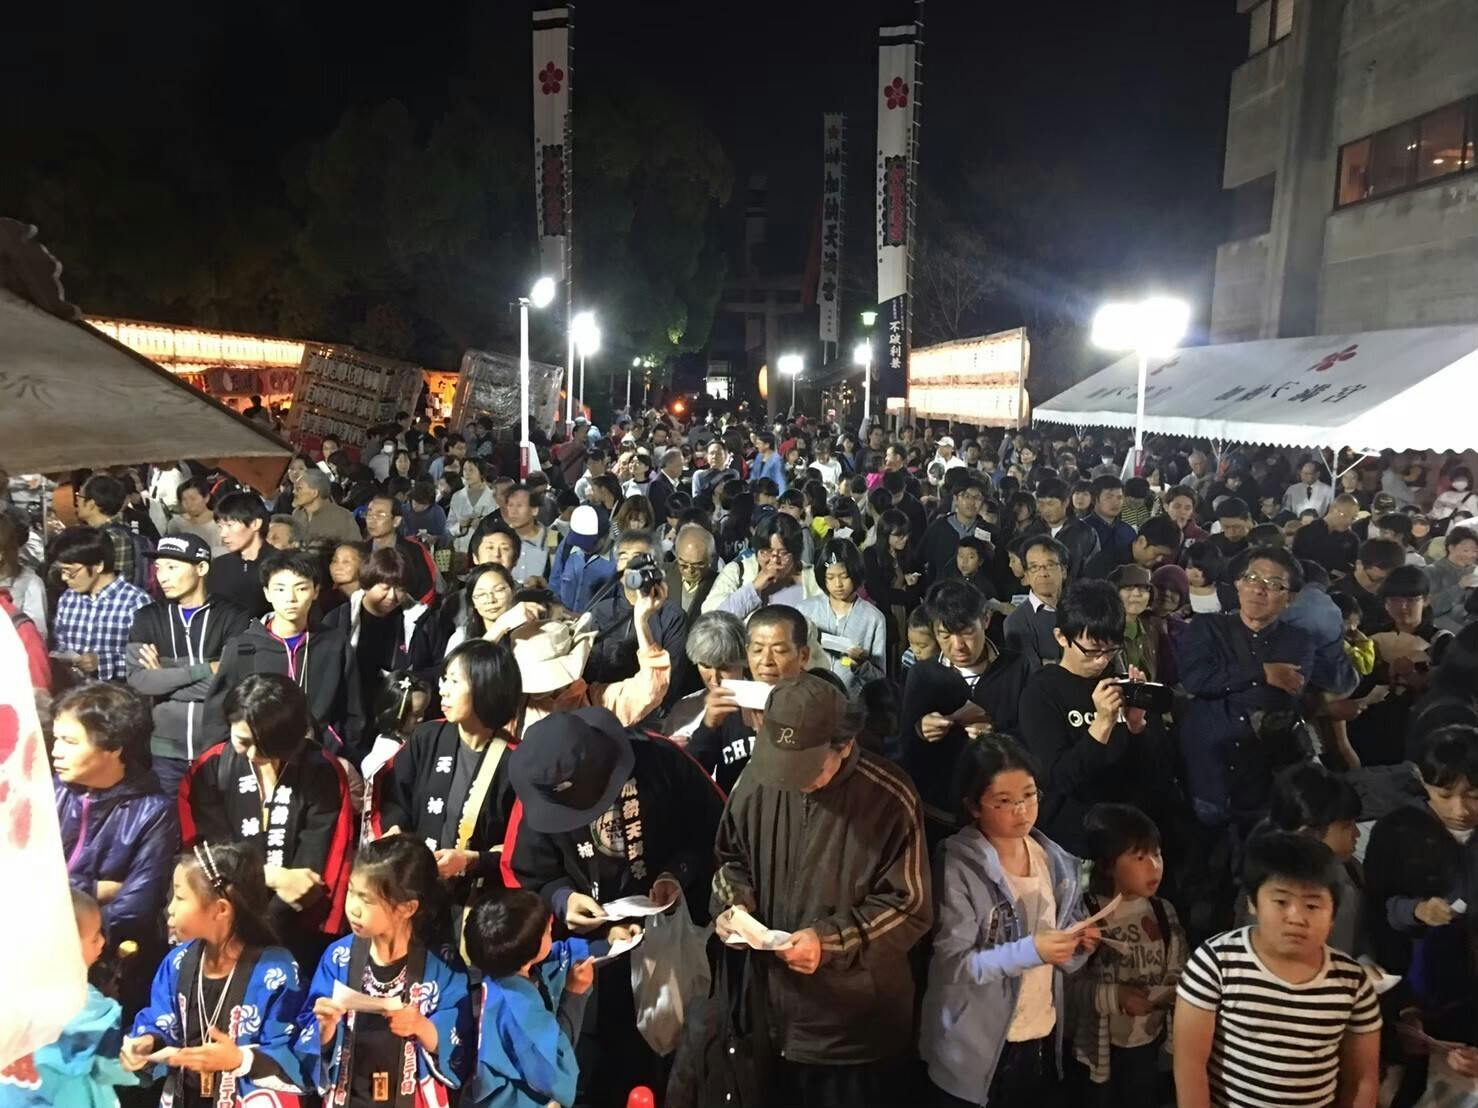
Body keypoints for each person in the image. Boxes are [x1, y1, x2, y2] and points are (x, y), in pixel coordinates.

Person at [713, 673, 932, 1107]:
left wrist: (829, 941)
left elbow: (910, 906)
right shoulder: (757, 779)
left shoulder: (890, 797)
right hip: (766, 1015)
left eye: (807, 769)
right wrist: (733, 905)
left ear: (845, 744)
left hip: (852, 1031)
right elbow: (730, 859)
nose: (791, 780)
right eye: (781, 765)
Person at [503, 707, 725, 1102]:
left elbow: (714, 827)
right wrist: (563, 899)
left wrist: (677, 873)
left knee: (675, 1067)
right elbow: (527, 872)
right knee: (596, 1073)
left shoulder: (659, 758)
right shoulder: (539, 788)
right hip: (593, 960)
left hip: (673, 944)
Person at [917, 734, 1097, 1108]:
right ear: (973, 805)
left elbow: (1061, 955)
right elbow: (955, 964)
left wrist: (1077, 944)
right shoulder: (958, 865)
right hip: (974, 1048)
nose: (1022, 811)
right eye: (1004, 801)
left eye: (1029, 795)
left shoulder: (1054, 860)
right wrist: (1032, 950)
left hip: (1040, 1033)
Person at [1173, 833, 1382, 1108]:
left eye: (1312, 905)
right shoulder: (1216, 963)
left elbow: (1362, 1079)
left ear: (1333, 913)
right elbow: (1190, 1065)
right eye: (1281, 901)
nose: (1296, 917)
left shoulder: (1351, 982)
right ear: (1253, 902)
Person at [183, 674, 356, 965]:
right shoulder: (210, 769)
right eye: (243, 741)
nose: (252, 754)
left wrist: (270, 922)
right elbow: (209, 855)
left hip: (295, 925)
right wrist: (273, 876)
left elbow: (313, 866)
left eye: (265, 745)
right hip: (224, 919)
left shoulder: (322, 770)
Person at [120, 843, 310, 1105]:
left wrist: (239, 1059)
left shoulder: (275, 971)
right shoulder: (178, 961)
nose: (170, 909)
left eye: (180, 897)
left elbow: (293, 1051)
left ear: (221, 909)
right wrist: (147, 1042)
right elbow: (161, 1020)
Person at [300, 835, 474, 1105]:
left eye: (367, 900)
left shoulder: (443, 965)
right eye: (351, 892)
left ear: (407, 908)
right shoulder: (338, 957)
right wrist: (325, 1027)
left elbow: (460, 1044)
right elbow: (309, 1038)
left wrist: (421, 1026)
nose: (353, 909)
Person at [51, 682, 179, 1009]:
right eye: (56, 739)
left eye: (69, 741)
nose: (55, 751)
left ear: (113, 747)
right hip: (37, 952)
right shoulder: (47, 792)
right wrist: (93, 889)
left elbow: (136, 907)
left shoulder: (153, 811)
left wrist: (62, 918)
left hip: (106, 963)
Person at [371, 641, 522, 906]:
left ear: (486, 687)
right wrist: (394, 828)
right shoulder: (426, 737)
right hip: (414, 892)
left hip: (475, 902)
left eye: (454, 681)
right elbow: (393, 796)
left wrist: (472, 860)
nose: (443, 690)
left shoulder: (515, 761)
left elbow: (520, 846)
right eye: (444, 679)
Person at [1177, 546, 1316, 833]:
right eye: (1252, 578)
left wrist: (1223, 678)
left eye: (1273, 584)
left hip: (1262, 777)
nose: (1259, 589)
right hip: (1209, 771)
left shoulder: (1298, 641)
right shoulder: (1207, 627)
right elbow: (1195, 679)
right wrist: (1263, 672)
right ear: (1238, 583)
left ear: (1290, 597)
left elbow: (1283, 693)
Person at [1017, 581, 1154, 855]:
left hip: (1123, 831)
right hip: (1071, 839)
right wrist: (1101, 725)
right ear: (1061, 637)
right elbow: (1057, 780)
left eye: (1111, 650)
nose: (1101, 661)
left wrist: (1137, 726)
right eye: (1092, 650)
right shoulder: (1041, 692)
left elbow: (1149, 773)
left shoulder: (1118, 684)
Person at [1067, 804, 1185, 1108]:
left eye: (1157, 854)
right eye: (1140, 857)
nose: (1154, 866)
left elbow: (1177, 968)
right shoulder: (1088, 914)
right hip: (1099, 1050)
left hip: (1149, 1042)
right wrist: (1116, 996)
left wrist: (1169, 995)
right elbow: (1068, 987)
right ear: (1107, 865)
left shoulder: (1163, 911)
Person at [900, 580, 1032, 843]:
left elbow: (1032, 738)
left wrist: (996, 736)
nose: (958, 645)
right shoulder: (923, 675)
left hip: (1001, 812)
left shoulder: (1016, 667)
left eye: (967, 632)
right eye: (945, 636)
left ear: (986, 619)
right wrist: (920, 730)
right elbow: (906, 748)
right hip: (939, 813)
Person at [125, 534, 252, 799]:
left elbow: (233, 681)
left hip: (219, 745)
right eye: (159, 568)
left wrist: (165, 674)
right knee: (170, 821)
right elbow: (139, 681)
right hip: (165, 750)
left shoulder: (233, 616)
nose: (162, 577)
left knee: (219, 821)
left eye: (172, 567)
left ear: (201, 568)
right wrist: (205, 669)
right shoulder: (147, 617)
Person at [205, 548, 364, 751]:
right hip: (258, 757)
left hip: (319, 755)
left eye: (301, 588)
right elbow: (217, 717)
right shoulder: (244, 647)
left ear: (316, 591)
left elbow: (352, 710)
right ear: (267, 593)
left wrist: (342, 753)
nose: (290, 598)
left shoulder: (334, 644)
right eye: (280, 589)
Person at [0, 890, 137, 1108]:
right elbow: (110, 1066)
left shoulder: (9, 992)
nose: (102, 942)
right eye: (94, 938)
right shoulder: (88, 1005)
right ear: (67, 946)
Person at [463, 889, 598, 1108]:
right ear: (529, 953)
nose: (551, 924)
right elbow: (556, 1070)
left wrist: (605, 942)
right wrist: (575, 994)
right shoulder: (519, 1008)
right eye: (545, 930)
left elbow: (558, 954)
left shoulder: (494, 968)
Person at [687, 605, 808, 790]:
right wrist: (708, 727)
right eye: (757, 650)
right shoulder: (730, 703)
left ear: (803, 655)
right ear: (747, 653)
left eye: (779, 651)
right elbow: (690, 778)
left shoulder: (819, 704)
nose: (766, 661)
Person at [1258, 763, 1365, 957]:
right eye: (1347, 826)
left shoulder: (1350, 870)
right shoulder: (1273, 896)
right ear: (1308, 835)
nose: (1356, 834)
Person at [49, 526, 151, 683]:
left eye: (70, 572)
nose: (64, 577)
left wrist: (102, 662)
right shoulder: (68, 599)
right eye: (61, 571)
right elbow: (60, 644)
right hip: (74, 691)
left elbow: (146, 662)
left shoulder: (136, 602)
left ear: (99, 566)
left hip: (118, 694)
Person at [798, 538, 887, 698]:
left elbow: (880, 678)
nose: (838, 584)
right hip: (810, 699)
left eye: (844, 576)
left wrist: (861, 665)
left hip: (851, 702)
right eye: (830, 577)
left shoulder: (873, 618)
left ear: (855, 574)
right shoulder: (805, 611)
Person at [660, 609, 746, 741]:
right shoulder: (683, 710)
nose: (715, 679)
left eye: (724, 668)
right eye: (706, 666)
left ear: (745, 659)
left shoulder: (765, 704)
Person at [1003, 536, 1067, 673]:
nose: (1043, 573)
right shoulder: (1016, 621)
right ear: (1026, 575)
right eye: (1034, 567)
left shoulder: (1080, 610)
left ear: (1063, 571)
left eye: (1050, 565)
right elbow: (1031, 671)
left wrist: (1051, 663)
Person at [75, 474, 150, 589]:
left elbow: (118, 586)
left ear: (91, 504)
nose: (77, 501)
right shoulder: (98, 533)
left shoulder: (114, 537)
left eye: (79, 496)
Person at [362, 494, 437, 605]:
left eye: (380, 515)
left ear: (396, 521)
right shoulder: (360, 551)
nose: (372, 520)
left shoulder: (414, 550)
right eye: (369, 514)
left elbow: (426, 588)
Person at [208, 491, 272, 618]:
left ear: (255, 524)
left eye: (230, 525)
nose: (223, 534)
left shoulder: (280, 564)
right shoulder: (219, 565)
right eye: (220, 526)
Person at [920, 473, 991, 585]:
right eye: (966, 496)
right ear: (955, 499)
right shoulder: (939, 527)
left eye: (977, 497)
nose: (971, 502)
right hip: (943, 591)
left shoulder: (989, 531)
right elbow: (921, 559)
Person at [1329, 537, 1405, 634]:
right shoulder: (1335, 597)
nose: (1381, 586)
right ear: (1359, 565)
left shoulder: (1397, 595)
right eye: (1376, 579)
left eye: (1389, 581)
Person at [1424, 524, 1478, 633]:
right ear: (1451, 548)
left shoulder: (1475, 570)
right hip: (1444, 628)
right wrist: (1459, 587)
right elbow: (1430, 608)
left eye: (1475, 551)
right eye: (1466, 550)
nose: (1471, 555)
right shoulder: (1432, 571)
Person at [291, 468, 362, 550]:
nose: (293, 492)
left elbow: (356, 549)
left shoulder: (342, 517)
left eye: (299, 488)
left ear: (315, 493)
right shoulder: (297, 514)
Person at [1292, 493, 1360, 575]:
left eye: (1353, 518)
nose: (1348, 521)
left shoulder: (1352, 539)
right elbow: (1297, 565)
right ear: (1332, 509)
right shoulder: (1304, 533)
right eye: (1344, 515)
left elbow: (1354, 568)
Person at [664, 522, 719, 621]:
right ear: (676, 554)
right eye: (683, 564)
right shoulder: (662, 576)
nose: (690, 570)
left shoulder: (719, 584)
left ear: (710, 559)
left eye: (698, 565)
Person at [1082, 476, 1136, 567]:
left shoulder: (1128, 531)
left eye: (1119, 498)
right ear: (1095, 499)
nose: (1115, 502)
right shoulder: (1082, 530)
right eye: (1109, 497)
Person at [167, 476, 226, 559]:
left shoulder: (222, 521)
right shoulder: (176, 524)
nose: (189, 504)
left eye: (193, 499)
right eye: (184, 500)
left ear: (206, 498)